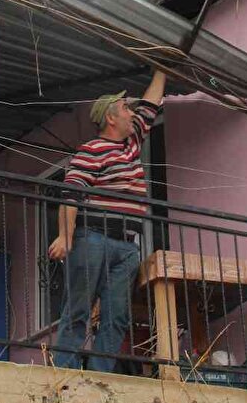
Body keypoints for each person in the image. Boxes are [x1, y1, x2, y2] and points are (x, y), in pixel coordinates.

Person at [48, 70, 166, 372]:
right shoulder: (92, 150)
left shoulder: (132, 144)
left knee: (116, 317)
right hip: (93, 239)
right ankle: (65, 376)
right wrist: (65, 237)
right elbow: (71, 194)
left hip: (126, 246)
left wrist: (162, 68)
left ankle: (101, 377)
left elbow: (151, 105)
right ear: (111, 118)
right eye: (126, 107)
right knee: (78, 310)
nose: (133, 112)